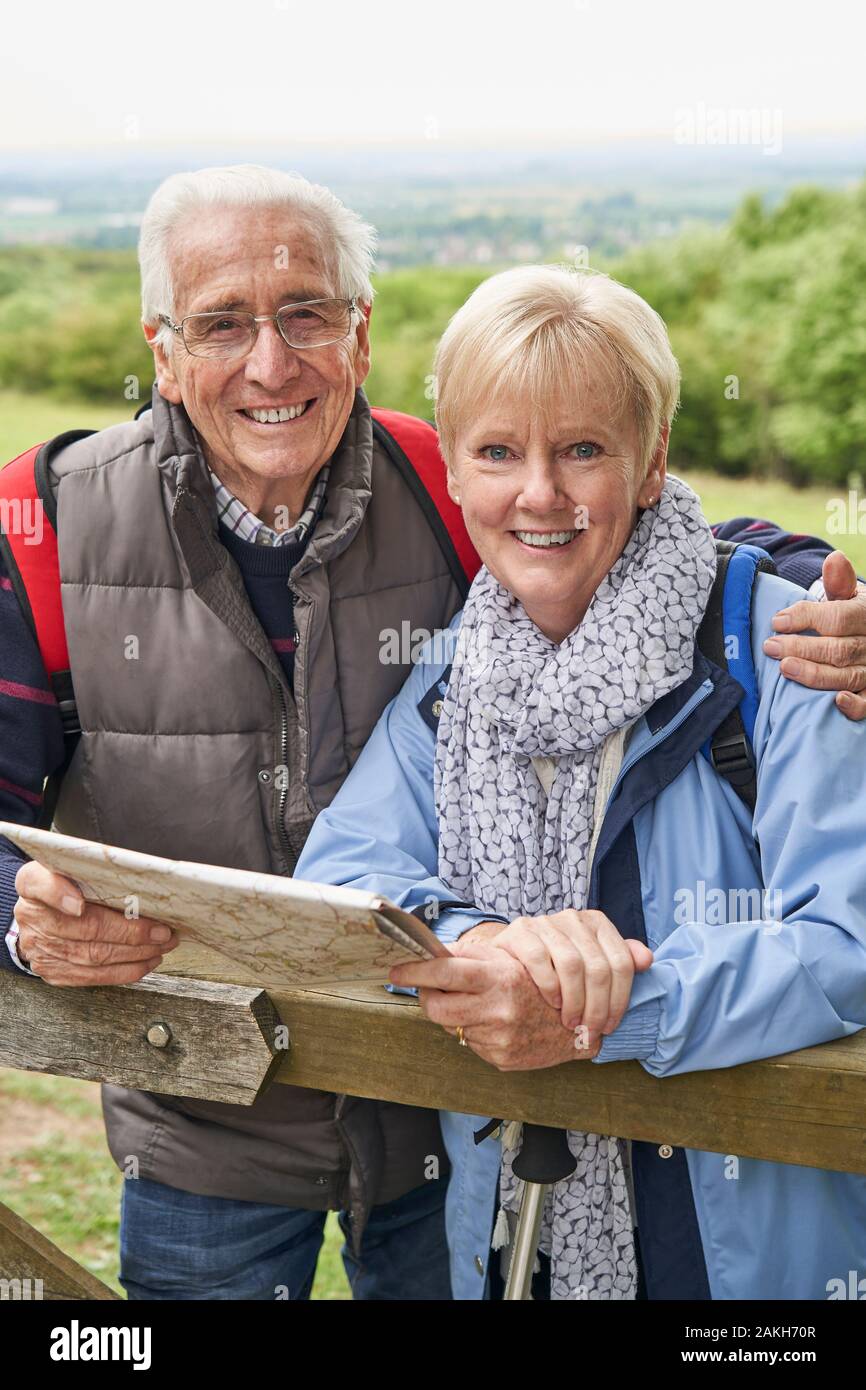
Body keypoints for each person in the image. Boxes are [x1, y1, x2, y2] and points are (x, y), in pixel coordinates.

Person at [295, 263, 866, 1300]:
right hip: (526, 1241)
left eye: (583, 451)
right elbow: (340, 873)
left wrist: (609, 1007)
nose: (540, 494)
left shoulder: (781, 646)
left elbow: (846, 944)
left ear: (649, 466)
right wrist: (486, 945)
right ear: (456, 473)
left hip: (749, 1261)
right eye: (499, 452)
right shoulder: (455, 671)